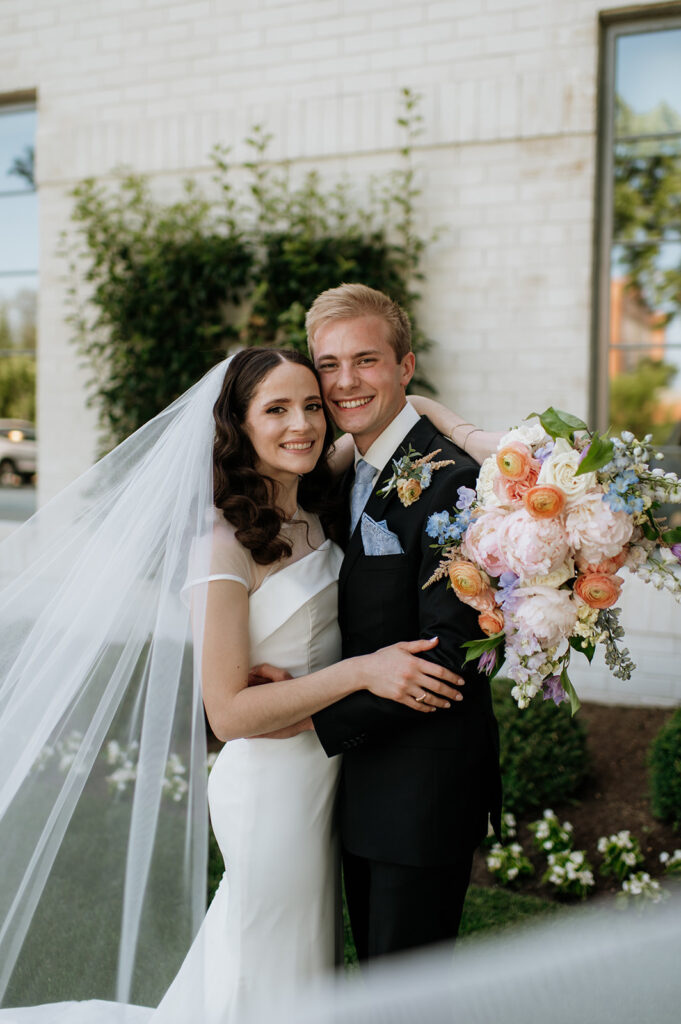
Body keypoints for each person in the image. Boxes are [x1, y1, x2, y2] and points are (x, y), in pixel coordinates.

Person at [0, 346, 479, 1023]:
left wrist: (473, 438)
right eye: (276, 409)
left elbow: (407, 410)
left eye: (312, 406)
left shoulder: (316, 496)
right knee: (265, 950)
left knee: (301, 951)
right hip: (270, 787)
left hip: (324, 770)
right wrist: (360, 672)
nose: (303, 425)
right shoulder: (221, 545)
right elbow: (226, 713)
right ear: (237, 425)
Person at [258, 284, 502, 961]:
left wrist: (301, 713)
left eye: (364, 360)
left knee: (402, 997)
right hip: (351, 784)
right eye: (328, 364)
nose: (344, 382)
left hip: (417, 793)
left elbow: (454, 655)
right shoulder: (341, 472)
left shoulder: (454, 481)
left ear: (404, 367)